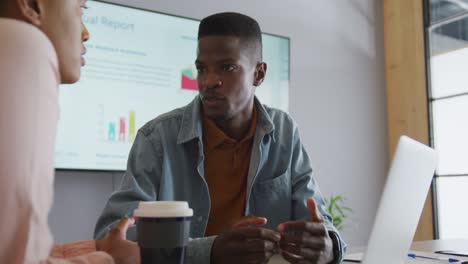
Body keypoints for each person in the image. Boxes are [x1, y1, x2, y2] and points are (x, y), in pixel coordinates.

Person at [95, 12, 346, 264]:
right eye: (201, 68)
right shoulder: (157, 138)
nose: (208, 81)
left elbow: (318, 221)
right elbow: (111, 238)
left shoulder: (283, 130)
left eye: (227, 67)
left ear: (258, 74)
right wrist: (209, 251)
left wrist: (329, 247)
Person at [0, 0, 138, 263]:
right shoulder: (24, 44)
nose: (86, 32)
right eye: (80, 9)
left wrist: (90, 251)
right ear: (31, 5)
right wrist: (112, 261)